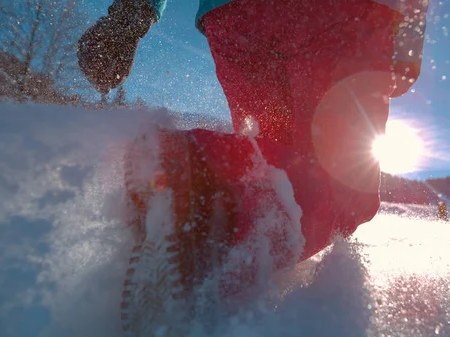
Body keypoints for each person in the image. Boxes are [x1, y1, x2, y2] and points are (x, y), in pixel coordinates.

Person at [78, 0, 428, 332]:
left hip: (236, 18)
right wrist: (410, 29)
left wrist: (132, 12)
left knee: (266, 165)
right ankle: (201, 226)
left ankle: (192, 198)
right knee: (342, 194)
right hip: (341, 14)